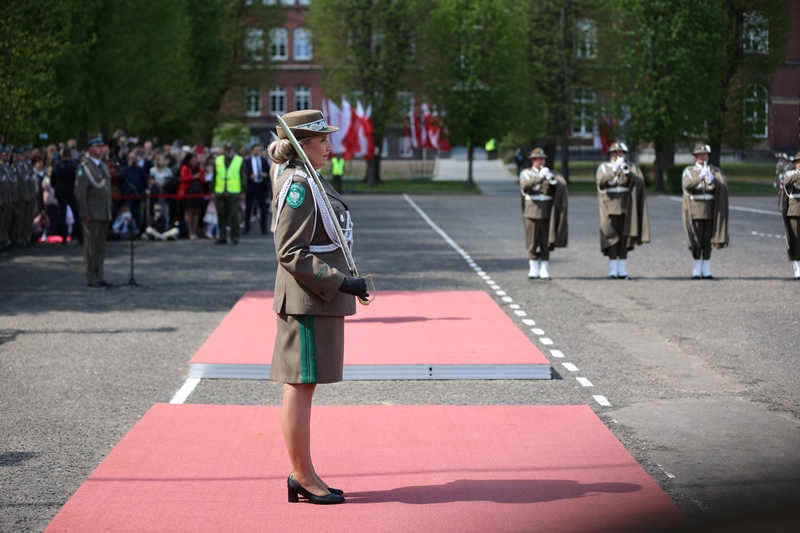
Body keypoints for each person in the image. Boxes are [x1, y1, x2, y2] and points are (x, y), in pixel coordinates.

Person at [268, 109, 369, 505]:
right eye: (322, 139)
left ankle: (304, 473)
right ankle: (302, 476)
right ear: (302, 144)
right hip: (308, 300)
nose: (330, 145)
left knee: (305, 386)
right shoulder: (298, 185)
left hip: (317, 299)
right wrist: (341, 281)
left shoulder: (310, 179)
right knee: (300, 386)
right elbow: (289, 251)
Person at [595, 142, 650, 279]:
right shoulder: (604, 167)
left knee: (625, 237)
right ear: (610, 154)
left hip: (627, 206)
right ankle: (613, 269)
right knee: (611, 236)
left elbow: (640, 182)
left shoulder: (631, 167)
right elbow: (600, 181)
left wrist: (627, 172)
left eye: (620, 153)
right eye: (614, 153)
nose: (617, 155)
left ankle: (623, 269)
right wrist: (614, 170)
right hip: (610, 206)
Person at [681, 143, 729, 279]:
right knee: (696, 240)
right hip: (696, 210)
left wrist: (715, 181)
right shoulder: (690, 171)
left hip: (710, 210)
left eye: (705, 154)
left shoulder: (714, 171)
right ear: (695, 156)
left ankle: (706, 269)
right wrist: (700, 177)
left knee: (708, 240)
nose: (703, 157)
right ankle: (696, 269)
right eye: (700, 155)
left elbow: (722, 186)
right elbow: (686, 184)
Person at [519, 148, 568, 280]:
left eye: (543, 159)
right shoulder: (526, 173)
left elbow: (560, 187)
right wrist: (539, 177)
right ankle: (533, 267)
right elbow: (525, 185)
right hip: (532, 210)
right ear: (532, 161)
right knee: (532, 240)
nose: (541, 162)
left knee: (546, 240)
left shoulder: (550, 173)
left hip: (547, 211)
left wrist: (553, 181)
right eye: (538, 159)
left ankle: (544, 268)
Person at [74, 134, 113, 288]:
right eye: (97, 146)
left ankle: (100, 275)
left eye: (101, 146)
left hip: (103, 212)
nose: (100, 148)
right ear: (90, 148)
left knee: (101, 247)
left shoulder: (102, 166)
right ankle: (91, 277)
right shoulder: (84, 168)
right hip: (92, 214)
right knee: (91, 248)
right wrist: (84, 214)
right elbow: (80, 193)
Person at [212, 143, 245, 244]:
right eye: (227, 149)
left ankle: (234, 236)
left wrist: (243, 191)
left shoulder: (239, 160)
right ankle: (222, 236)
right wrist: (211, 191)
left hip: (234, 192)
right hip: (220, 191)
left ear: (233, 149)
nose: (229, 151)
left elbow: (243, 177)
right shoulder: (218, 160)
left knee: (234, 216)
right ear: (224, 150)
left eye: (230, 149)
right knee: (221, 215)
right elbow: (214, 176)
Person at [52, 147, 82, 245]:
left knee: (62, 215)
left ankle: (64, 237)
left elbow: (53, 179)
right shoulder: (74, 165)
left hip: (61, 192)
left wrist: (57, 188)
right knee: (76, 214)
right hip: (72, 192)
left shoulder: (57, 166)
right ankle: (80, 237)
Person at [244, 144, 272, 236]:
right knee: (248, 208)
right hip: (251, 186)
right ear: (252, 150)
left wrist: (265, 175)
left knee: (263, 209)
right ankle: (246, 228)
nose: (257, 152)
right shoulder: (247, 161)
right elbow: (244, 174)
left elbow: (269, 172)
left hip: (261, 186)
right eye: (256, 150)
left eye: (259, 150)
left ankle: (264, 229)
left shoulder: (263, 161)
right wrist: (249, 176)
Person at [781, 151, 800, 279]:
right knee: (796, 240)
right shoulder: (791, 173)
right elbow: (786, 181)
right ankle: (798, 268)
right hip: (795, 211)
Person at [178, 152, 204, 240]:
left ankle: (194, 230)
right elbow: (183, 178)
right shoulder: (184, 168)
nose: (194, 162)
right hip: (188, 192)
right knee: (189, 211)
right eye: (193, 160)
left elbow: (202, 179)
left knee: (196, 211)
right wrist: (194, 177)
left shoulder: (199, 168)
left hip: (198, 192)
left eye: (196, 160)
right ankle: (189, 231)